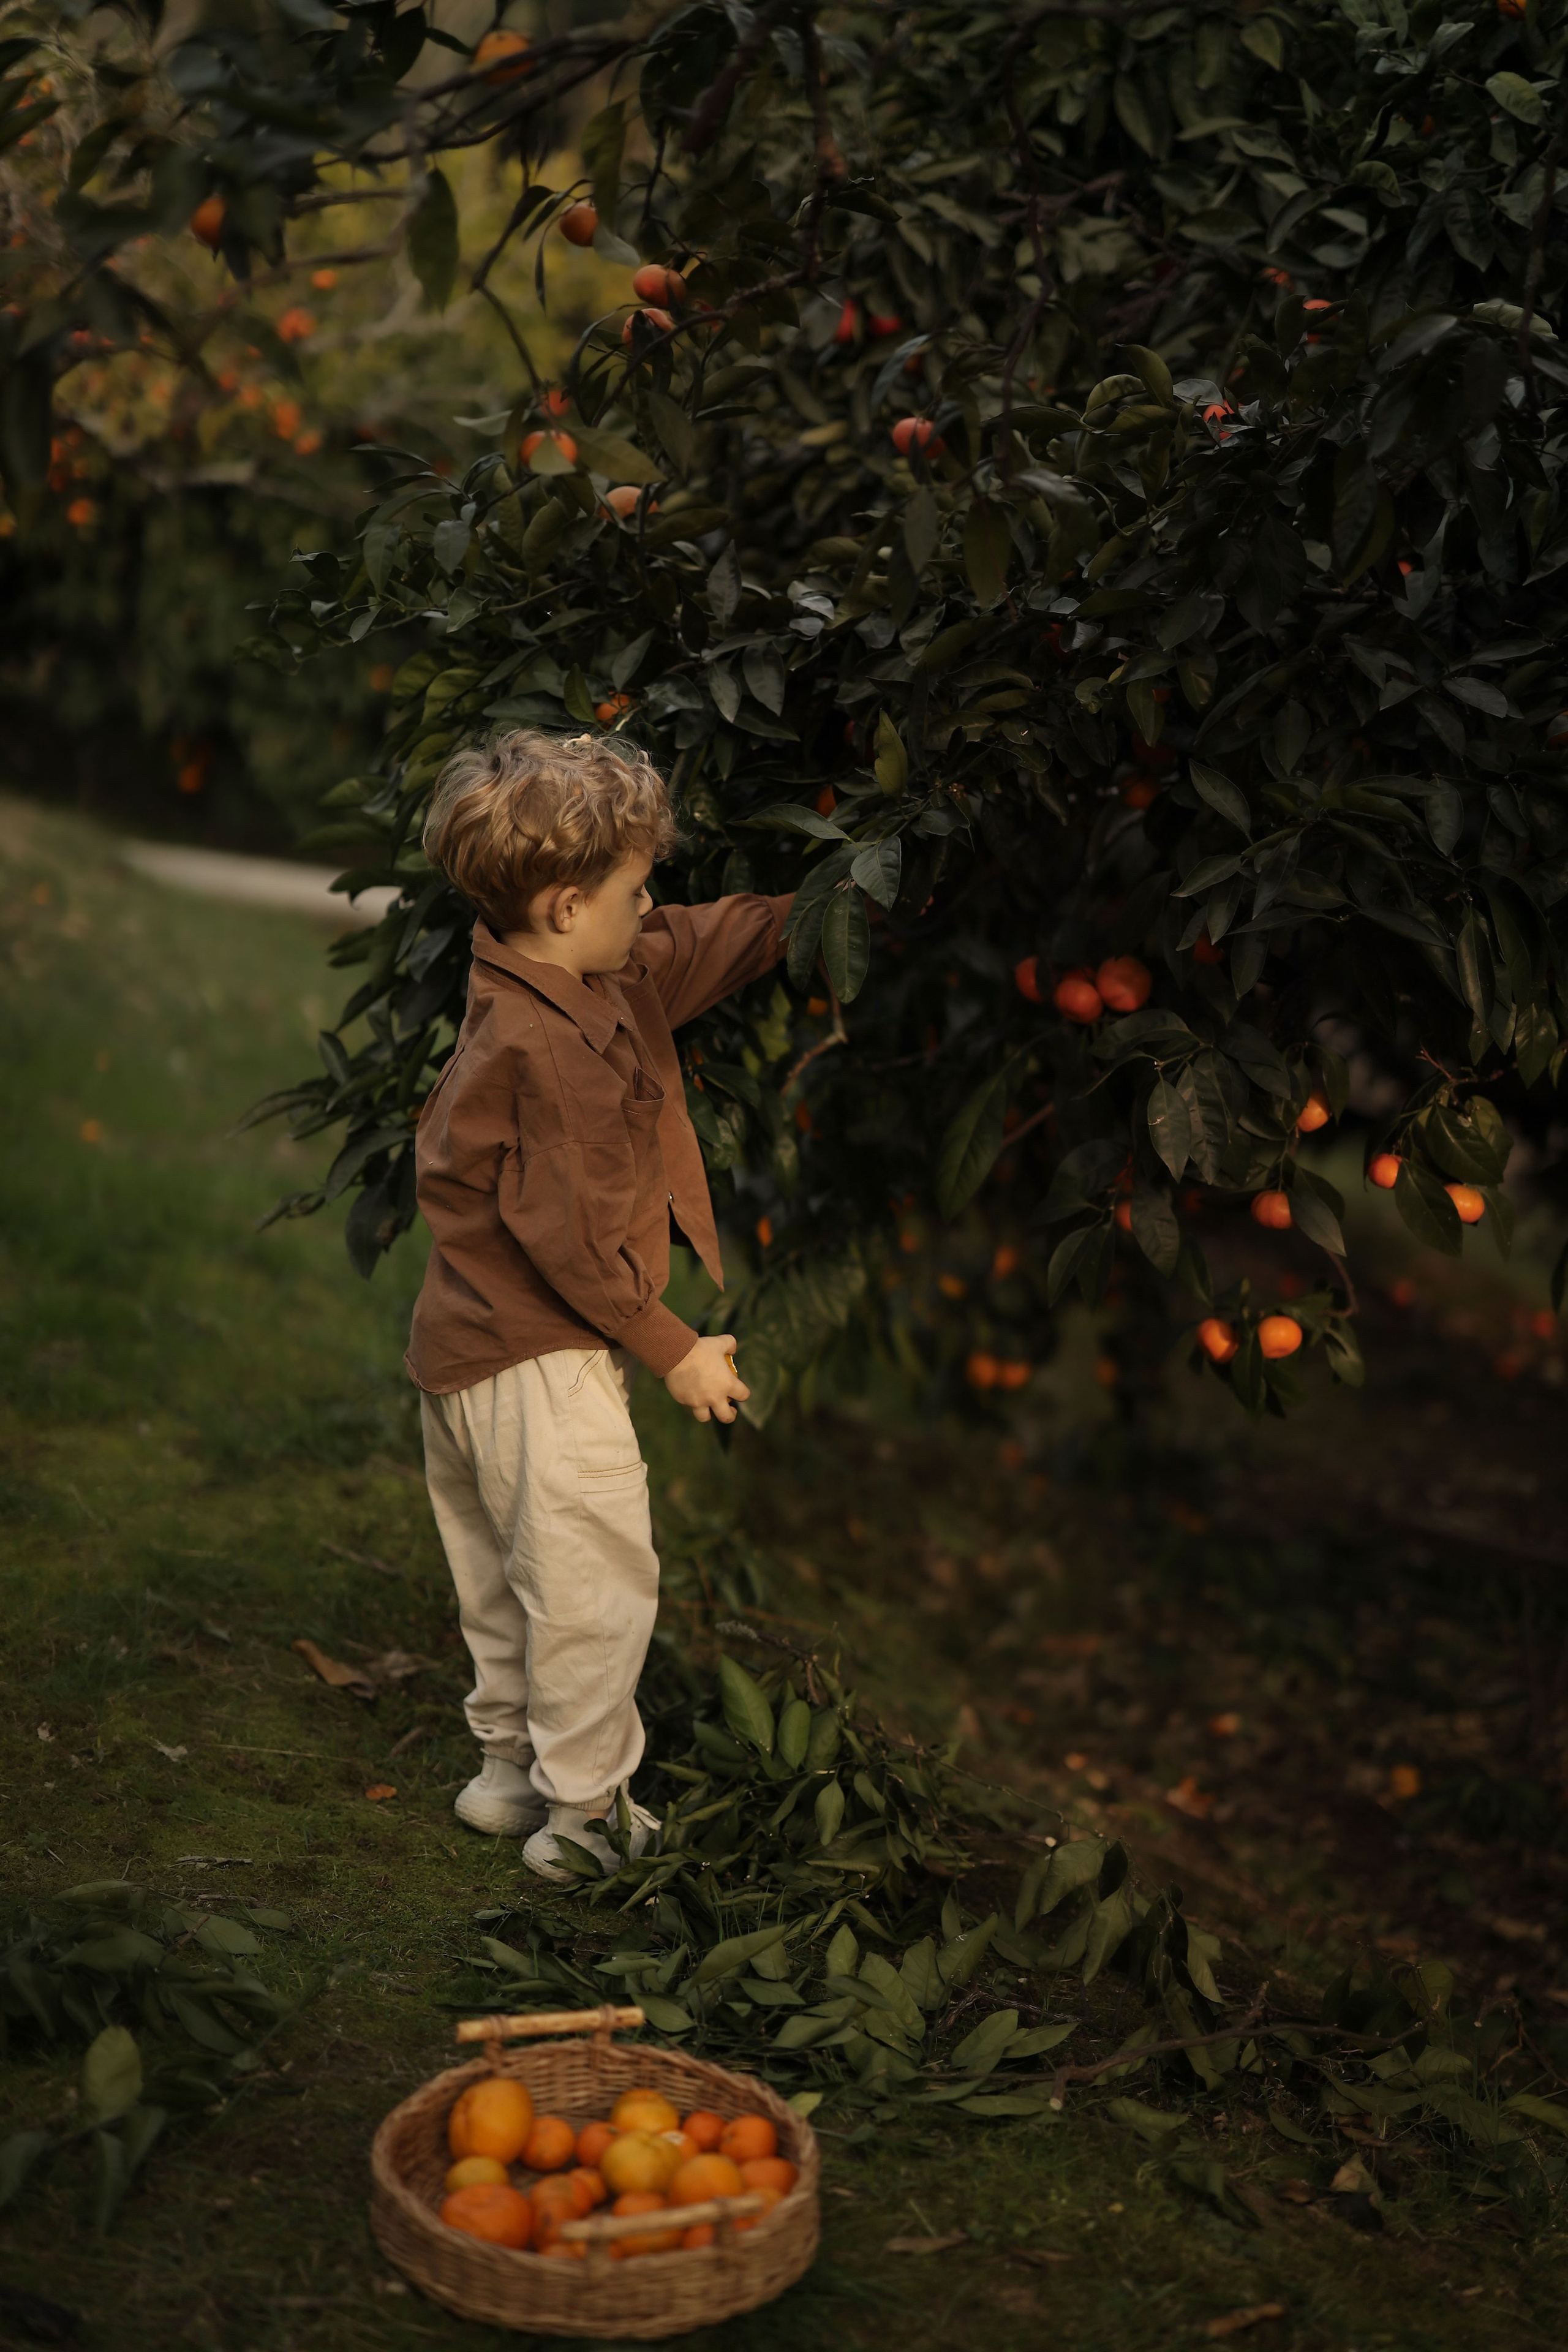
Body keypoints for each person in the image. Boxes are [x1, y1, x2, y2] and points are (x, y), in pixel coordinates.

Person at [406, 728, 791, 1881]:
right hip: (539, 1360)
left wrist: (811, 907)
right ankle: (587, 1816)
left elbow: (684, 947)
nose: (653, 903)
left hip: (463, 1351)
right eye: (636, 888)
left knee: (507, 1571)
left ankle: (510, 1772)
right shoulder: (553, 1050)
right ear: (571, 905)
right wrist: (673, 1349)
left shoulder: (538, 975)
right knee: (593, 1583)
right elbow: (567, 1235)